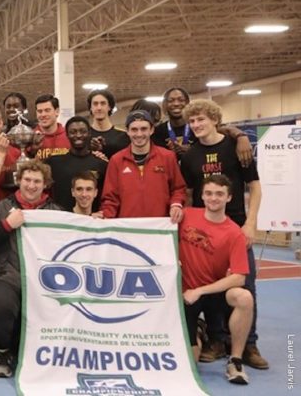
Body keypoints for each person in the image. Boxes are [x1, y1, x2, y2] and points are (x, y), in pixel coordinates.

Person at [180, 99, 266, 369]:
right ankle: (217, 340)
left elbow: (255, 186)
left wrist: (251, 223)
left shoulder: (235, 146)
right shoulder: (190, 155)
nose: (196, 125)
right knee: (210, 284)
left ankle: (248, 344)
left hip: (237, 229)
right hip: (205, 233)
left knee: (244, 287)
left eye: (201, 120)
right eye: (192, 121)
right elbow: (190, 195)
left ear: (215, 119)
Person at [0, 160, 64, 379]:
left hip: (45, 279)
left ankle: (51, 355)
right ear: (18, 181)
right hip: (8, 275)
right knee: (0, 303)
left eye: (37, 181)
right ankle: (3, 353)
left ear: (45, 185)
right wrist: (6, 225)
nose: (31, 185)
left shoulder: (57, 212)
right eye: (27, 180)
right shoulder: (1, 208)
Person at [178, 175, 254, 385]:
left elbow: (239, 277)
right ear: (201, 195)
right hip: (186, 294)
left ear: (229, 197)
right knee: (191, 367)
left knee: (244, 297)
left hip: (213, 292)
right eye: (209, 193)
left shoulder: (234, 233)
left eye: (219, 194)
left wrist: (201, 290)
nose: (213, 198)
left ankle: (235, 361)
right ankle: (200, 334)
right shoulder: (185, 216)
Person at [100, 110, 186, 221]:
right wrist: (106, 215)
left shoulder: (167, 157)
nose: (139, 134)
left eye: (144, 129)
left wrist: (176, 204)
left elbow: (178, 188)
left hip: (160, 228)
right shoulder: (116, 160)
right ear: (127, 131)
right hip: (128, 230)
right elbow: (110, 198)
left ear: (152, 130)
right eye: (134, 130)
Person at [45, 117, 107, 213]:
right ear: (67, 135)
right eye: (73, 132)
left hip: (92, 221)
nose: (78, 135)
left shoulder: (101, 164)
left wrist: (103, 213)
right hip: (62, 221)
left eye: (83, 131)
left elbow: (107, 196)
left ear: (89, 133)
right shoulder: (54, 163)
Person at [86, 89, 129, 158]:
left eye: (103, 103)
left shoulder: (124, 136)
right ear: (91, 107)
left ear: (109, 107)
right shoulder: (84, 136)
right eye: (95, 104)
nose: (99, 108)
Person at [33, 94, 69, 160]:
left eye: (47, 110)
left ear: (57, 111)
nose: (43, 114)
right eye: (39, 111)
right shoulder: (30, 137)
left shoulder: (68, 135)